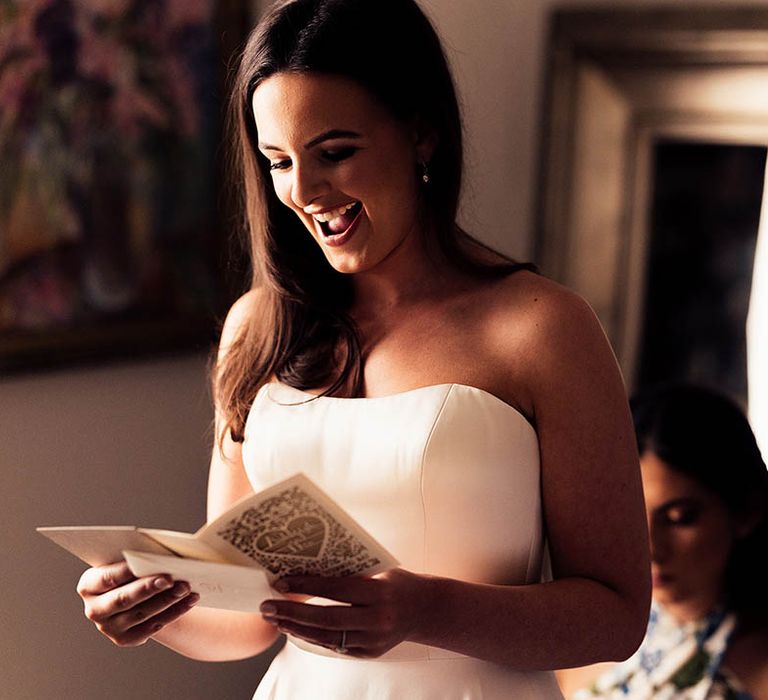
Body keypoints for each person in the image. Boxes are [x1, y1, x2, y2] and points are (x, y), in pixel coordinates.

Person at [74, 0, 652, 697]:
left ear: (422, 135)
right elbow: (250, 617)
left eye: (335, 152)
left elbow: (617, 617)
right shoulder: (258, 326)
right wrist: (151, 607)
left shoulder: (542, 328)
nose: (304, 192)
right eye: (277, 161)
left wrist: (427, 610)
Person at [558, 383, 768, 700]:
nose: (650, 549)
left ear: (746, 512)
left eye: (680, 517)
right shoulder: (575, 637)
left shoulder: (758, 667)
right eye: (629, 516)